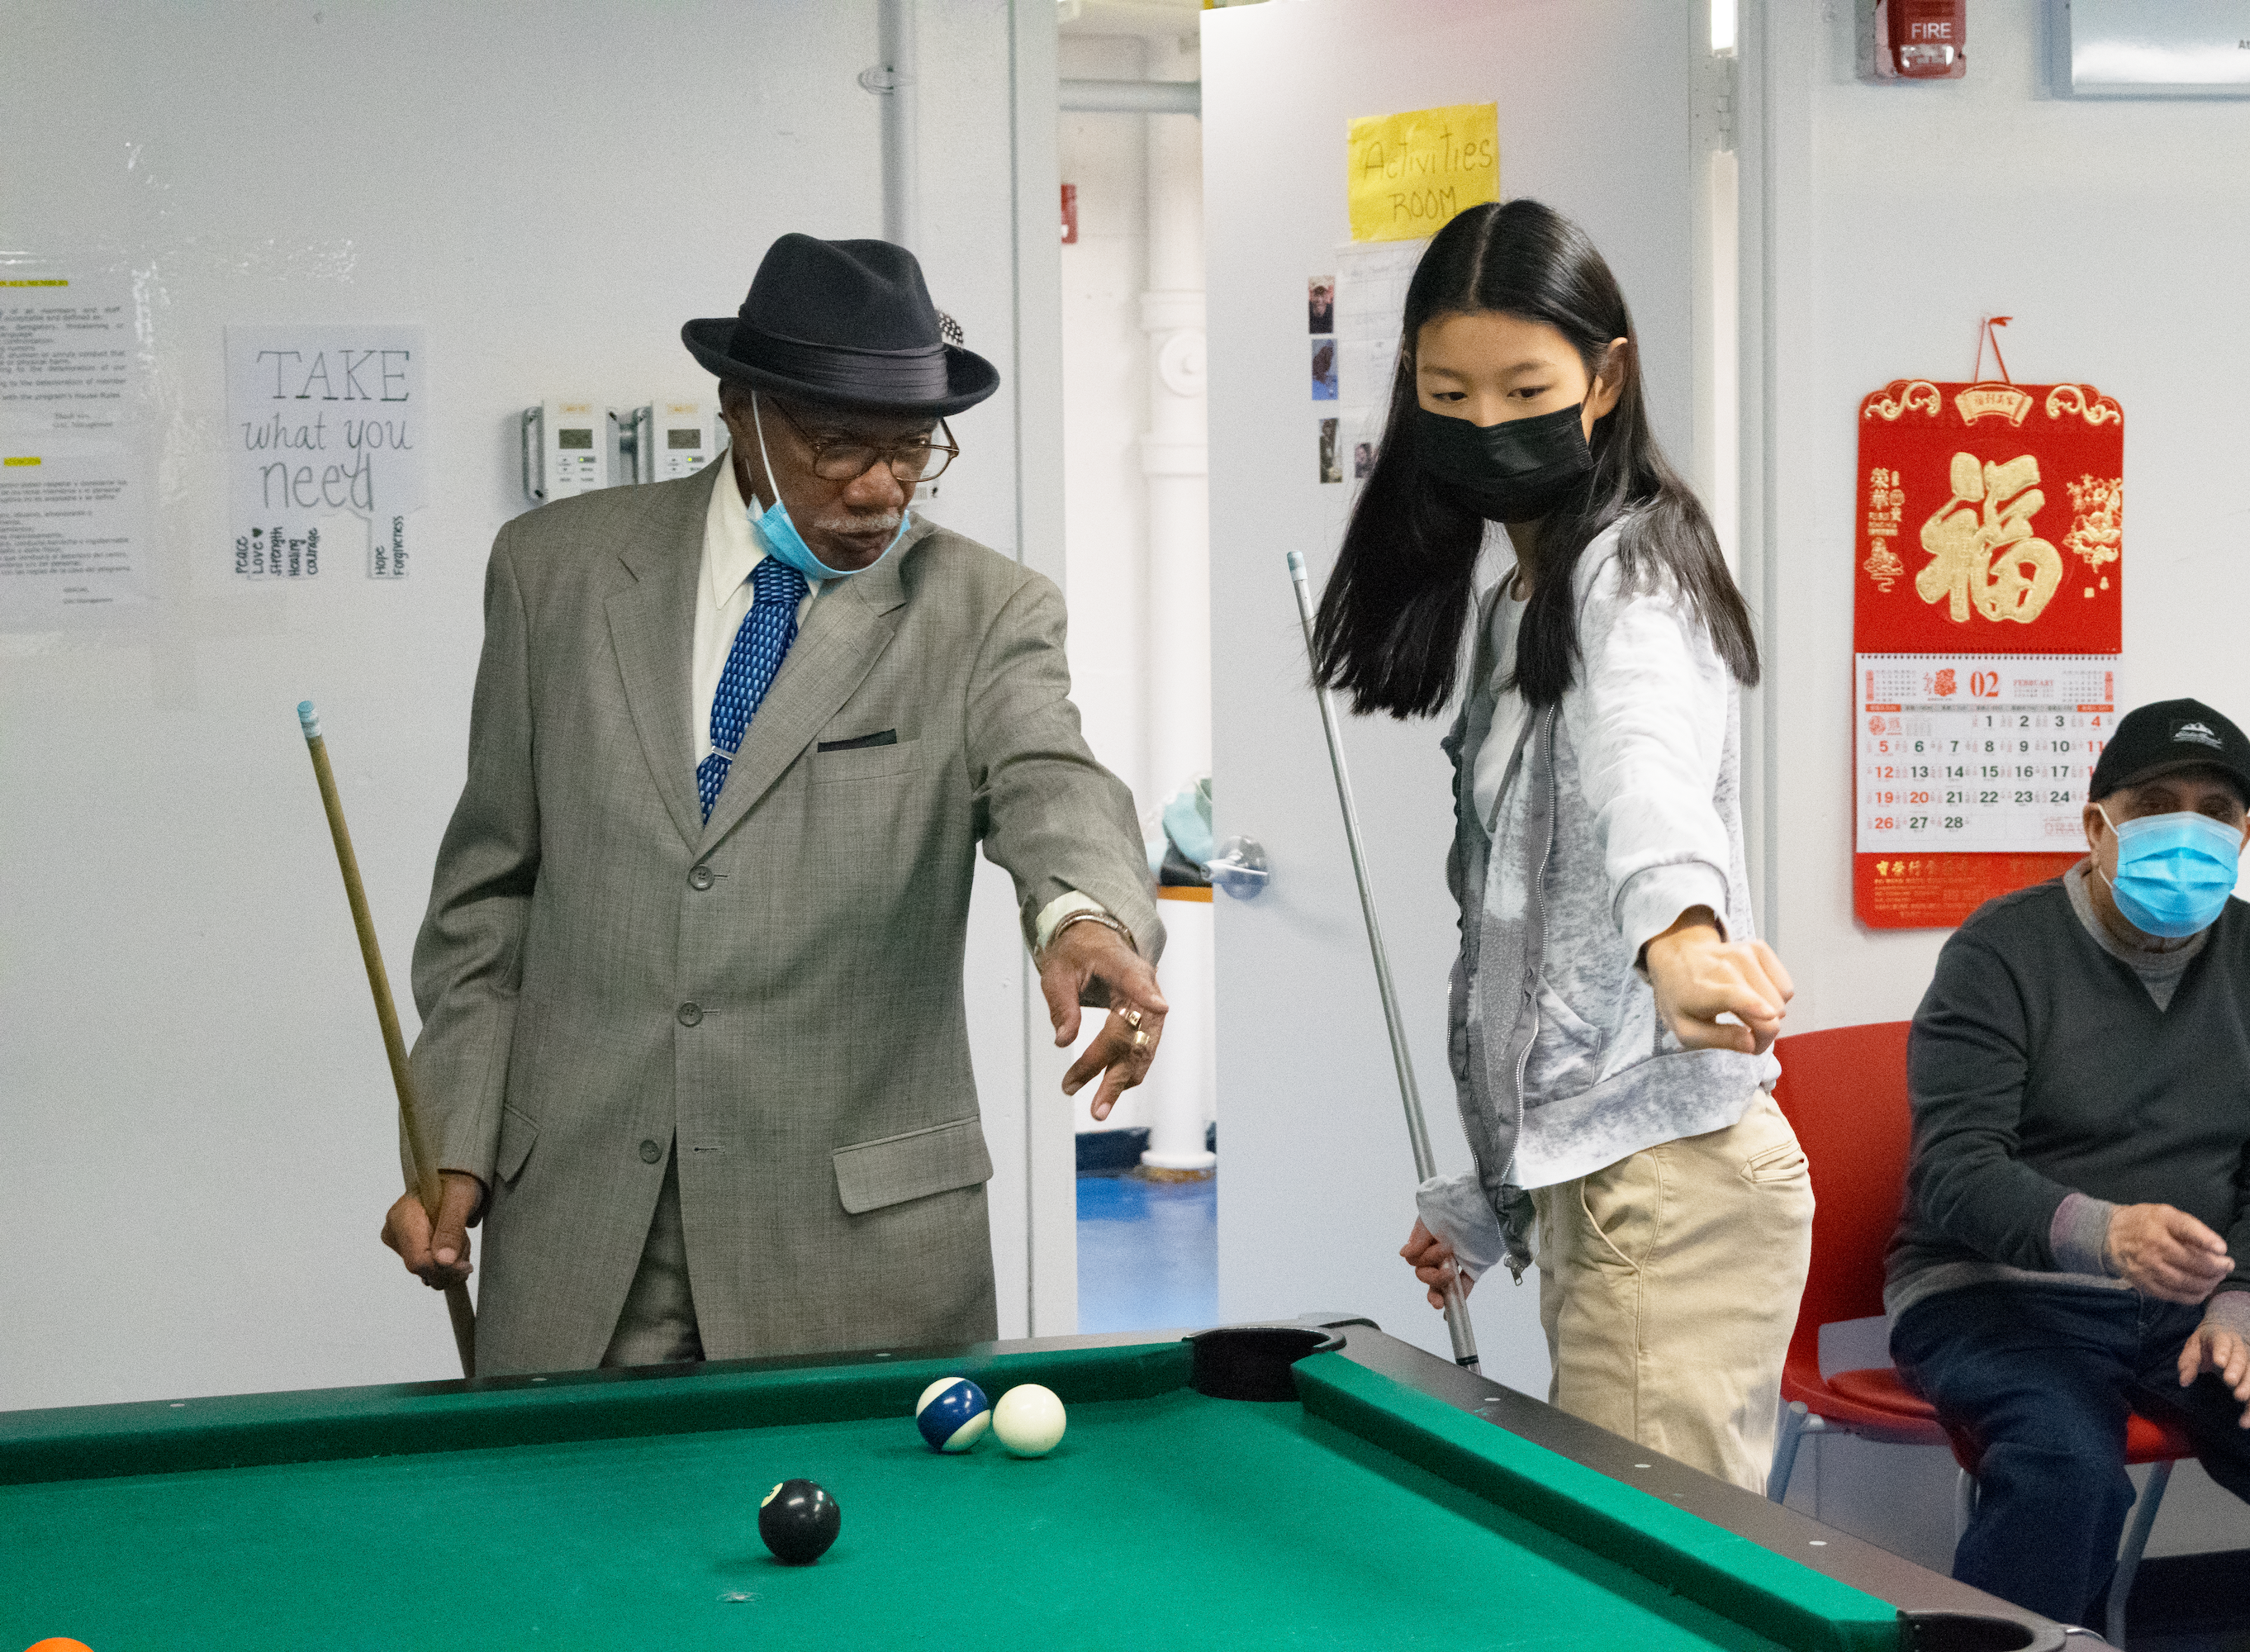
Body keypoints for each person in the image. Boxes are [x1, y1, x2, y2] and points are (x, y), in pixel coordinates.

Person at [380, 235, 1168, 1376]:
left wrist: (1081, 914)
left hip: (859, 1253)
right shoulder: (553, 572)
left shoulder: (986, 610)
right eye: (840, 443)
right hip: (582, 1237)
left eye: (913, 450)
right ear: (739, 411)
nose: (880, 487)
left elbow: (1050, 775)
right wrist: (450, 1138)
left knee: (877, 1559)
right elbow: (490, 896)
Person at [1315, 199, 1809, 1493]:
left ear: (1607, 376)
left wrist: (1683, 936)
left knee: (1666, 1602)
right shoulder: (1512, 603)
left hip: (1675, 1200)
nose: (1487, 424)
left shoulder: (1631, 576)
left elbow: (1646, 768)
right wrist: (1488, 1191)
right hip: (1602, 1191)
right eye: (1449, 393)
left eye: (1525, 386)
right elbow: (1521, 951)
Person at [1888, 699, 2250, 1645]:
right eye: (2155, 801)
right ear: (2098, 824)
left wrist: (2245, 1315)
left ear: (2246, 834)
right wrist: (2109, 1232)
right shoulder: (1999, 951)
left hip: (2195, 1296)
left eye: (2215, 809)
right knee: (2067, 1470)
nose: (2189, 829)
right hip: (2001, 1293)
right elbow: (1955, 1172)